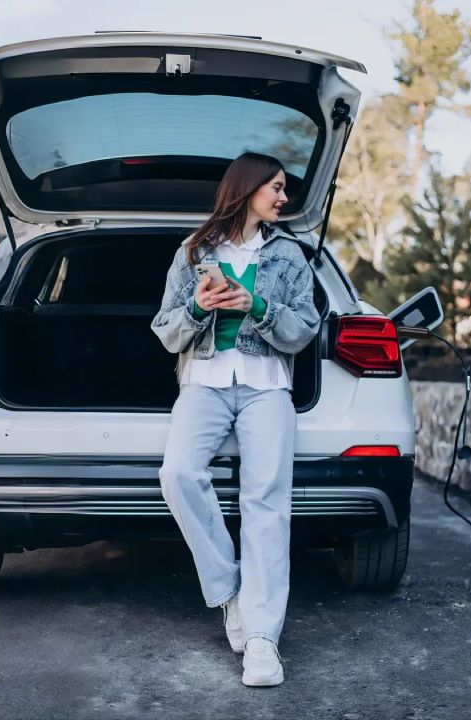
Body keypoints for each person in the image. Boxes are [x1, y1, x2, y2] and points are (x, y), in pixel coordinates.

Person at [149, 152, 322, 687]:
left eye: (284, 188)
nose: (283, 197)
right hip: (204, 382)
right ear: (246, 188)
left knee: (266, 500)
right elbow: (166, 330)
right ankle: (230, 594)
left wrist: (256, 306)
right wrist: (200, 308)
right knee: (177, 474)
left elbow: (304, 330)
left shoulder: (291, 255)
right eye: (276, 187)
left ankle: (264, 639)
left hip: (267, 386)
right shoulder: (194, 252)